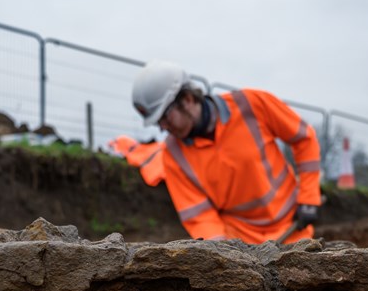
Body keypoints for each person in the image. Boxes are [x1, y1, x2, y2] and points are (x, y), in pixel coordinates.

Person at [130, 61, 322, 243]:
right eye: (158, 123)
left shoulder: (252, 105)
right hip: (243, 242)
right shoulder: (173, 155)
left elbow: (304, 138)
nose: (163, 127)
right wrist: (221, 254)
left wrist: (308, 197)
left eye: (165, 117)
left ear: (187, 99)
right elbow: (199, 216)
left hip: (293, 228)